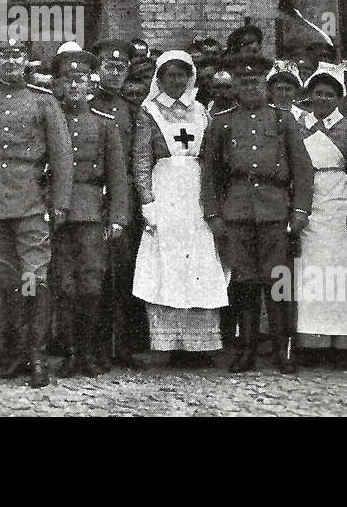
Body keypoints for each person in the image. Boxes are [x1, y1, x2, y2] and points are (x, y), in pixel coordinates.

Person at [0, 37, 71, 388]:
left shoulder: (44, 102)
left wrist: (60, 202)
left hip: (31, 201)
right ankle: (15, 352)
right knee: (6, 280)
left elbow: (61, 157)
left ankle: (36, 354)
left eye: (16, 55)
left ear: (26, 61)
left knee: (33, 278)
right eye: (3, 56)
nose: (10, 62)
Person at [201, 54, 313, 373]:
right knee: (244, 283)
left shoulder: (282, 120)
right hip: (236, 211)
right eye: (243, 82)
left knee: (278, 282)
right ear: (234, 85)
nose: (249, 87)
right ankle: (246, 349)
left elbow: (302, 169)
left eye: (255, 82)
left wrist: (300, 209)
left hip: (275, 209)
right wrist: (213, 214)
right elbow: (210, 174)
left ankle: (283, 350)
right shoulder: (222, 122)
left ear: (265, 84)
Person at [132, 51, 227, 367]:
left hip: (196, 197)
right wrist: (147, 201)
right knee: (167, 267)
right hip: (166, 195)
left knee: (198, 267)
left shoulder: (202, 112)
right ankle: (171, 345)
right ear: (159, 79)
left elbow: (211, 158)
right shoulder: (149, 112)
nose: (176, 81)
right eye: (170, 75)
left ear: (191, 77)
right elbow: (142, 160)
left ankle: (200, 346)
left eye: (181, 75)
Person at [51, 49, 129, 377]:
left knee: (92, 285)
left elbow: (117, 175)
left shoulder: (103, 124)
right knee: (64, 285)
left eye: (80, 79)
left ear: (90, 83)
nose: (74, 86)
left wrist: (118, 216)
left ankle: (89, 352)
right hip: (56, 212)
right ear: (58, 84)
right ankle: (69, 353)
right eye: (68, 80)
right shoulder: (50, 120)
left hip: (92, 211)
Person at [293, 64, 347, 366]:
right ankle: (313, 342)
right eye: (318, 93)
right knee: (311, 274)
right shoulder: (299, 126)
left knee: (345, 273)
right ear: (309, 96)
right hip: (309, 203)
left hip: (340, 201)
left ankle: (346, 344)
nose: (323, 99)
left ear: (339, 98)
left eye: (329, 94)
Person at [89, 38, 142, 367]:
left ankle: (121, 345)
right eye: (109, 67)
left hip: (124, 199)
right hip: (95, 197)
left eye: (120, 68)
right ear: (97, 70)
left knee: (123, 275)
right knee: (96, 275)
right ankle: (95, 346)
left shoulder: (129, 109)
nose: (115, 73)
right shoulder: (88, 104)